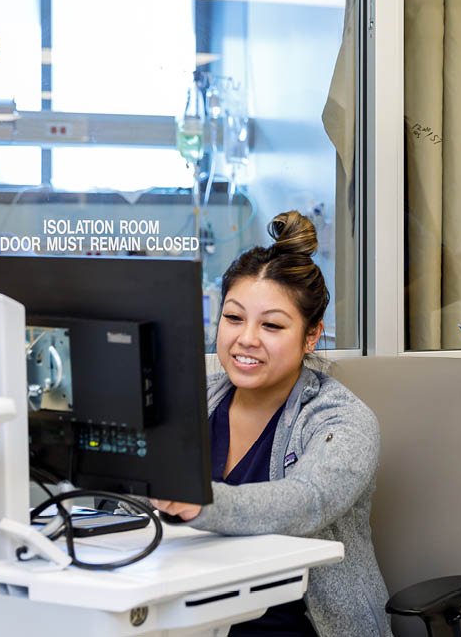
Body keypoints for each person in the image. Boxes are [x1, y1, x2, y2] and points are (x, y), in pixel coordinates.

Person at [151, 211, 393, 637]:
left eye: (272, 325)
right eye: (233, 318)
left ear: (311, 335)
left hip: (295, 626)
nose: (246, 338)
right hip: (190, 615)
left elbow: (307, 501)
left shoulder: (342, 419)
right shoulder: (194, 400)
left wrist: (197, 503)